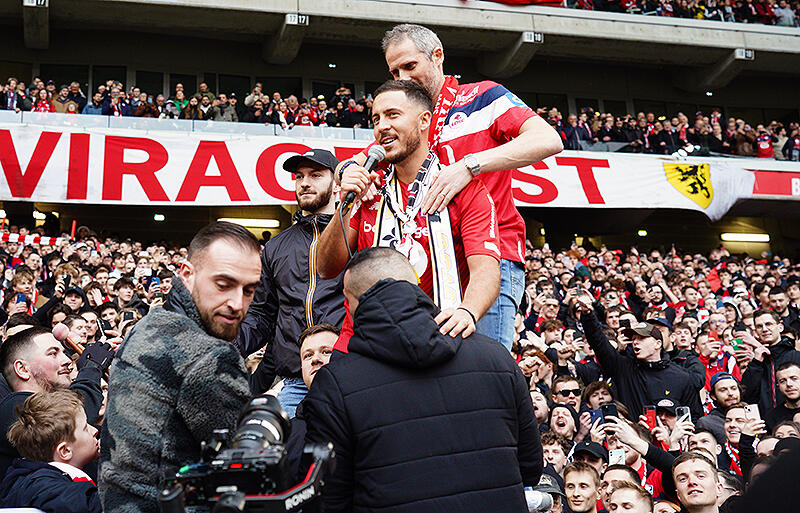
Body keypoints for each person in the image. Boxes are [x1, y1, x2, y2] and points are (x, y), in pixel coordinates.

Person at [338, 23, 562, 350]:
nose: (402, 77)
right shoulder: (403, 118)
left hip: (489, 257)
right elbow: (352, 165)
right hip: (427, 261)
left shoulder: (483, 96)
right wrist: (349, 175)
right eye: (394, 71)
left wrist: (470, 166)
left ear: (437, 56)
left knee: (481, 370)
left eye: (410, 66)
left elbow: (548, 139)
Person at [303, 247, 542, 512]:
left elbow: (327, 498)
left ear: (350, 304)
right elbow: (530, 467)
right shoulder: (496, 358)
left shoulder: (335, 384)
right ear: (416, 286)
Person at [317, 80, 501, 349]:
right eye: (376, 118)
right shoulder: (369, 189)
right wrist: (346, 202)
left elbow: (485, 269)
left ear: (424, 120)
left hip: (437, 338)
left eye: (393, 115)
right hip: (365, 344)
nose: (381, 126)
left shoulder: (465, 190)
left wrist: (467, 312)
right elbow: (326, 267)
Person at [99, 222, 261, 513]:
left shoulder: (148, 324)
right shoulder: (210, 356)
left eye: (249, 290)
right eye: (223, 285)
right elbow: (250, 466)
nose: (237, 303)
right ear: (187, 274)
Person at [235, 149, 345, 417]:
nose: (305, 182)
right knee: (280, 451)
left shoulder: (353, 232)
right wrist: (228, 344)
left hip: (348, 374)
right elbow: (262, 314)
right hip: (296, 381)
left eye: (316, 175)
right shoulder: (275, 247)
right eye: (299, 176)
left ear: (337, 184)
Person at [0, 325, 107, 477]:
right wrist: (92, 367)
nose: (67, 360)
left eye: (63, 352)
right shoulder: (14, 409)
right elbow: (69, 416)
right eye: (53, 353)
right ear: (23, 369)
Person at [575, 294, 702, 419]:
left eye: (641, 338)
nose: (635, 342)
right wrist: (588, 314)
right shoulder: (623, 368)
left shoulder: (681, 377)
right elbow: (599, 343)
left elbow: (694, 415)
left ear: (658, 344)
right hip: (631, 436)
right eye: (633, 338)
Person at [0, 390, 101, 513]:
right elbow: (90, 506)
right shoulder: (38, 484)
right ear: (65, 451)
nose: (95, 430)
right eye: (85, 428)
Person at [739, 309, 800, 417]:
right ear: (756, 332)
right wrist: (756, 363)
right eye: (759, 326)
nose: (764, 329)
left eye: (768, 324)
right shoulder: (757, 360)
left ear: (780, 327)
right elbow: (747, 395)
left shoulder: (795, 356)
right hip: (768, 424)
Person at [766, 362, 800, 430]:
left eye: (794, 378)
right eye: (782, 381)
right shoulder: (772, 417)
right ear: (778, 386)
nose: (789, 384)